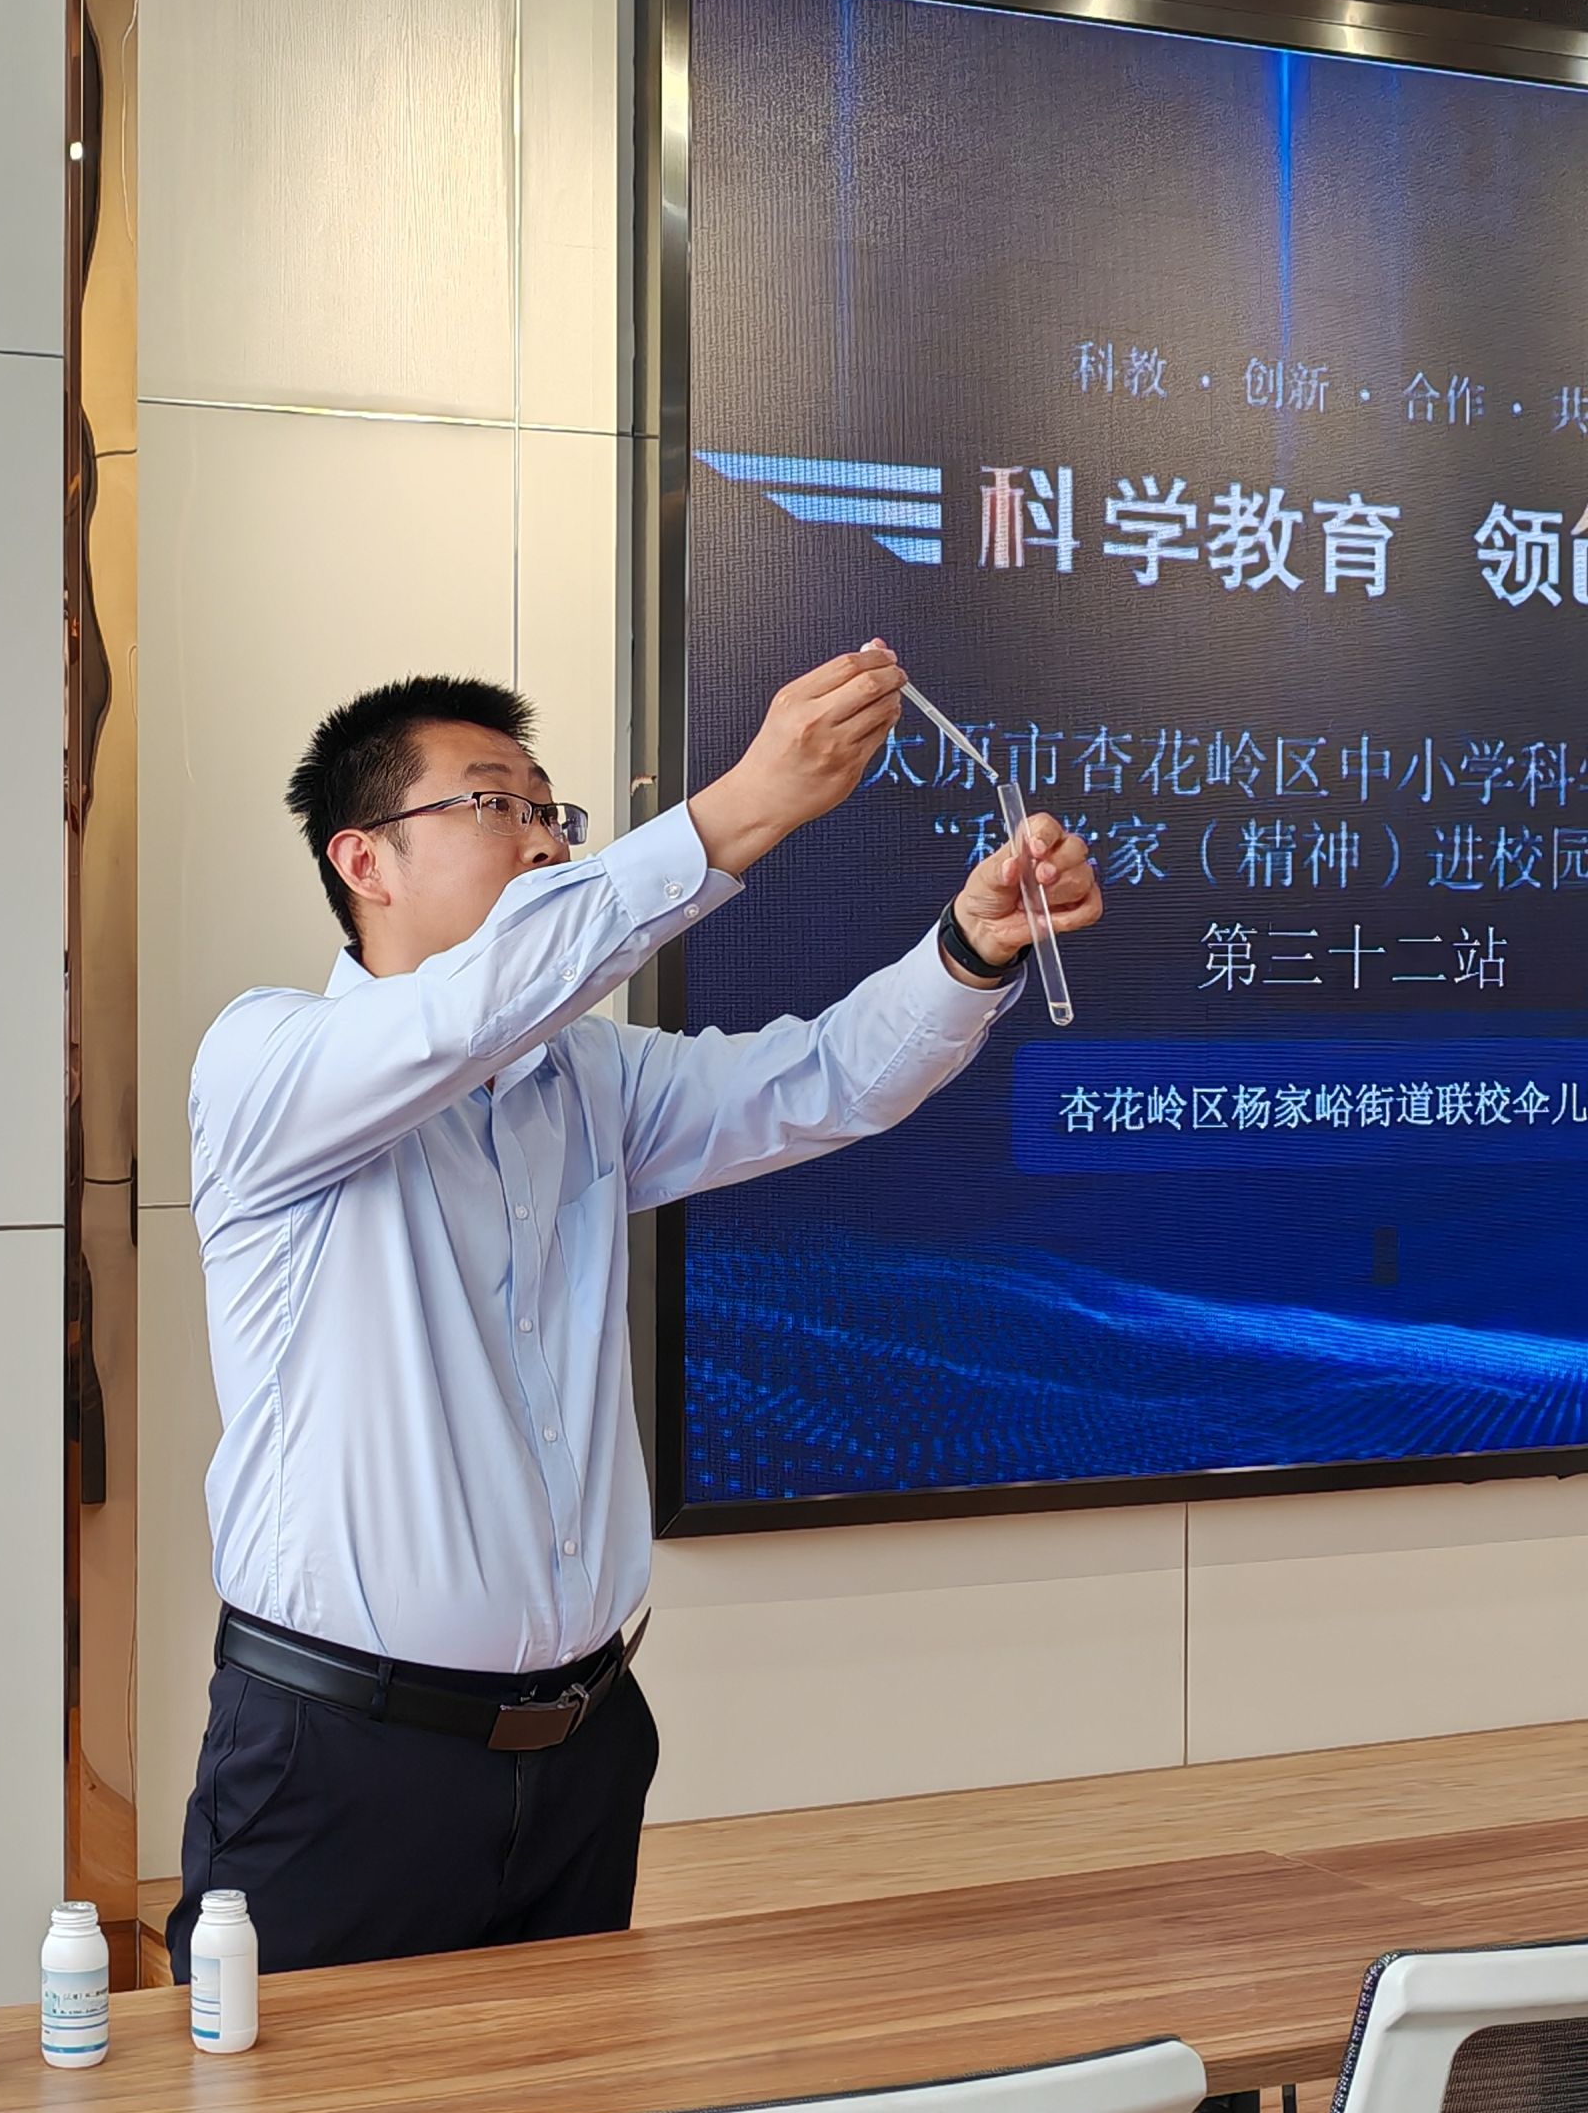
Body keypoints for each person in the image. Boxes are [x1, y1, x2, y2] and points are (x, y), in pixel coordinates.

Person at [167, 642, 1100, 1979]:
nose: (546, 838)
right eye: (496, 804)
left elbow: (823, 1082)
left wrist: (967, 951)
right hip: (340, 1760)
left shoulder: (586, 1078)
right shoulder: (267, 1064)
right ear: (364, 860)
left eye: (551, 809)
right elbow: (465, 1014)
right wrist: (746, 806)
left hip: (584, 1748)